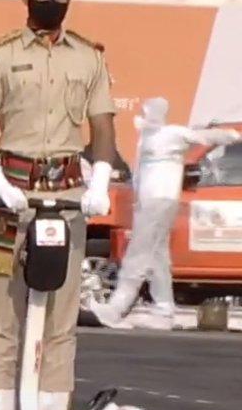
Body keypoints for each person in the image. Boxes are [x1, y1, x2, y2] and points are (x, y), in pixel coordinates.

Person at [0, 0, 118, 410]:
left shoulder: (88, 57)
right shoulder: (0, 55)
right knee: (1, 320)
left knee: (59, 323)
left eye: (61, 1)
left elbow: (102, 125)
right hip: (13, 195)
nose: (52, 7)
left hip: (67, 196)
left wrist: (100, 179)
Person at [89, 98, 240, 330]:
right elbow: (141, 172)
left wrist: (229, 136)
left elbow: (204, 138)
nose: (146, 114)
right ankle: (164, 311)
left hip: (159, 201)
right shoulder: (147, 138)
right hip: (147, 202)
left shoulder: (173, 134)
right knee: (158, 258)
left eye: (149, 111)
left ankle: (115, 309)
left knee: (137, 257)